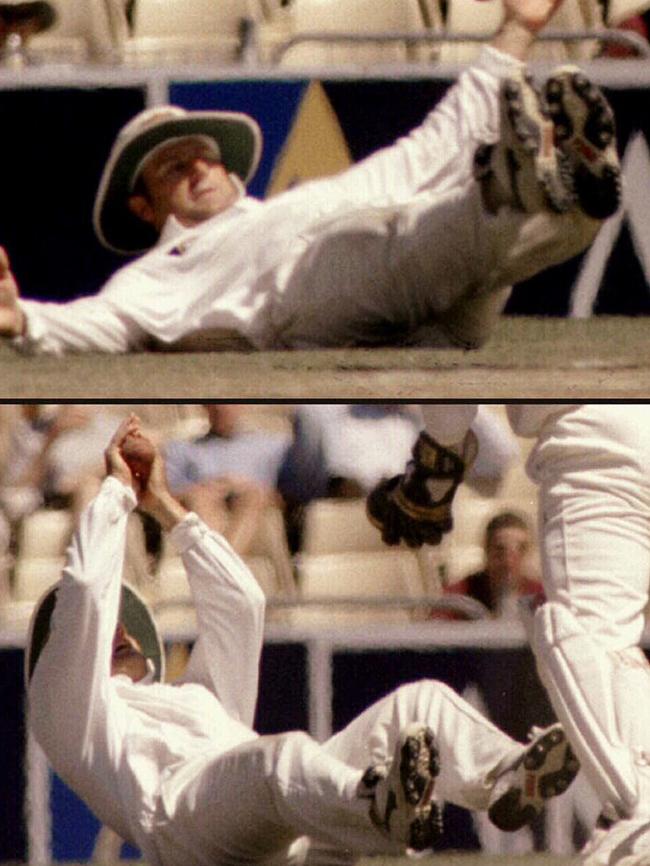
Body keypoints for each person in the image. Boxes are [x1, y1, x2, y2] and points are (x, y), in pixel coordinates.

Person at [26, 414, 581, 866]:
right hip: (185, 828)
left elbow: (241, 605)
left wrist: (166, 507)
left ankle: (509, 779)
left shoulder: (193, 697)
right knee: (282, 757)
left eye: (126, 620)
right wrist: (117, 494)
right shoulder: (72, 715)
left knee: (421, 702)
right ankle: (379, 805)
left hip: (278, 823)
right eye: (109, 626)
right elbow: (83, 593)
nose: (120, 629)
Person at [0, 0, 621, 355]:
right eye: (173, 165)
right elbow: (96, 324)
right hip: (314, 293)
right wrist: (24, 321)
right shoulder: (152, 276)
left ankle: (548, 184)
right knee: (437, 234)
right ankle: (518, 177)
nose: (199, 166)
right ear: (143, 205)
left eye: (206, 155)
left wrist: (519, 29)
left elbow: (430, 145)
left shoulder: (296, 205)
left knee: (557, 225)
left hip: (417, 297)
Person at [367, 403, 650, 866]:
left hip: (600, 438)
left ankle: (639, 819)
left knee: (588, 636)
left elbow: (456, 350)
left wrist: (439, 458)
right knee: (601, 638)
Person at [163, 403, 290, 555]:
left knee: (253, 497)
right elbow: (168, 493)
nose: (223, 410)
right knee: (201, 499)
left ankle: (221, 563)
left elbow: (286, 492)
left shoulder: (270, 445)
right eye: (215, 405)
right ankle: (221, 564)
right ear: (205, 407)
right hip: (205, 504)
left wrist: (242, 486)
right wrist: (206, 488)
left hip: (253, 504)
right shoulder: (184, 448)